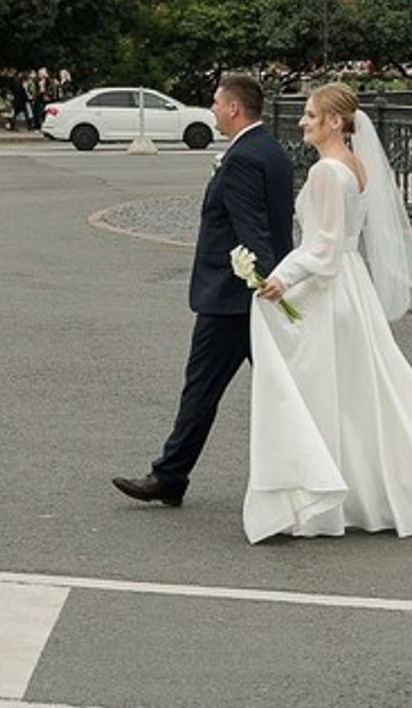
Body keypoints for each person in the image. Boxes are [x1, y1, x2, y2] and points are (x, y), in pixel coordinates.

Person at [243, 82, 412, 540]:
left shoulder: (328, 171)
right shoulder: (356, 166)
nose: (303, 121)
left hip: (330, 289)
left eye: (310, 114)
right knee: (364, 395)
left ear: (333, 121)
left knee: (322, 393)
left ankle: (323, 494)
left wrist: (282, 278)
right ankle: (379, 489)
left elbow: (323, 248)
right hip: (353, 286)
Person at [113, 72, 293, 508]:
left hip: (234, 298)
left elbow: (253, 229)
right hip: (251, 295)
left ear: (233, 108)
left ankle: (170, 475)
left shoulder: (243, 158)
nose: (212, 108)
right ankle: (174, 473)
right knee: (286, 389)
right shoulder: (271, 150)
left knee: (203, 388)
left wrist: (265, 281)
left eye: (216, 102)